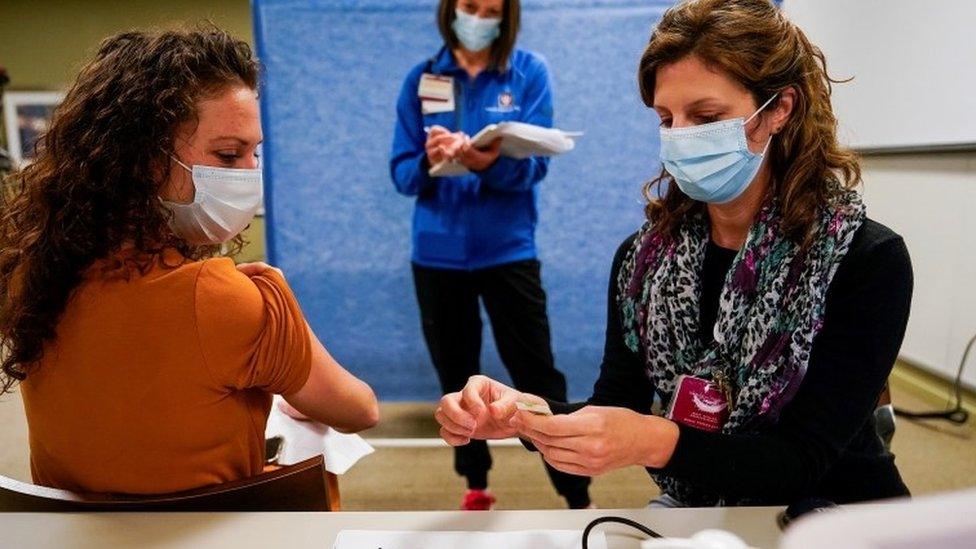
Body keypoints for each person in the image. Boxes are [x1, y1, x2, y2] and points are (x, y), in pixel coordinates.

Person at [434, 0, 913, 507]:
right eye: (666, 118)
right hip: (702, 511)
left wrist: (654, 439)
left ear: (779, 109)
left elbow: (799, 462)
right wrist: (521, 413)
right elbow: (614, 405)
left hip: (838, 513)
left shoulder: (863, 259)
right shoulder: (644, 261)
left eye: (706, 116)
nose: (679, 138)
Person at [0, 27, 379, 495]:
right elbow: (359, 411)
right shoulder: (228, 298)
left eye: (254, 154)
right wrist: (280, 301)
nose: (249, 176)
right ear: (142, 157)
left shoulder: (32, 272)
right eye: (228, 154)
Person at [389, 0, 591, 510]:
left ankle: (577, 496)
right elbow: (401, 174)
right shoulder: (423, 78)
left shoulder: (528, 72)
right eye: (469, 6)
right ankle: (475, 486)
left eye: (491, 8)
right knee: (458, 381)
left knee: (539, 376)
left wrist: (485, 163)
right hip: (437, 257)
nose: (479, 18)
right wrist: (430, 160)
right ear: (450, 9)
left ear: (507, 15)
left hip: (509, 251)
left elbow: (535, 168)